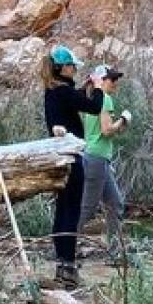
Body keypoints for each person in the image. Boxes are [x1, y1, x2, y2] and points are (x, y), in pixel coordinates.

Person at [42, 45, 105, 287]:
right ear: (62, 67)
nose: (75, 69)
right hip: (71, 159)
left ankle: (62, 264)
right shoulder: (64, 92)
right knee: (71, 212)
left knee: (62, 210)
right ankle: (68, 267)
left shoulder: (54, 91)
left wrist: (85, 88)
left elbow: (73, 99)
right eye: (72, 66)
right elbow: (94, 107)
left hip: (58, 159)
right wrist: (98, 88)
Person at [77, 65, 132, 261]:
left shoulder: (91, 98)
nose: (115, 83)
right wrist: (124, 119)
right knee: (87, 206)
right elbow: (107, 130)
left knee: (115, 203)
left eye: (115, 79)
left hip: (95, 157)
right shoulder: (104, 99)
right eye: (111, 79)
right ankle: (67, 246)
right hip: (97, 158)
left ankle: (115, 252)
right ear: (101, 80)